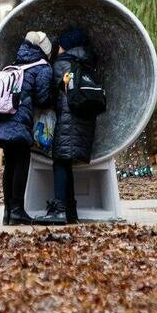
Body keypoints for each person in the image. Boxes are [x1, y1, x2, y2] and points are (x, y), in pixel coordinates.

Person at [0, 32, 53, 225]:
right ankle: (18, 211)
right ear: (45, 50)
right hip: (19, 122)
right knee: (21, 163)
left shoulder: (15, 64)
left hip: (2, 121)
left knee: (10, 165)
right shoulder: (42, 68)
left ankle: (8, 212)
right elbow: (44, 99)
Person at [37, 27, 97, 225]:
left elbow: (47, 95)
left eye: (61, 44)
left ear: (68, 45)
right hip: (84, 121)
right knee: (66, 162)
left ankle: (60, 210)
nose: (58, 47)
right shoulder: (88, 63)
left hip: (66, 119)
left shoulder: (62, 64)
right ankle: (71, 212)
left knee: (61, 162)